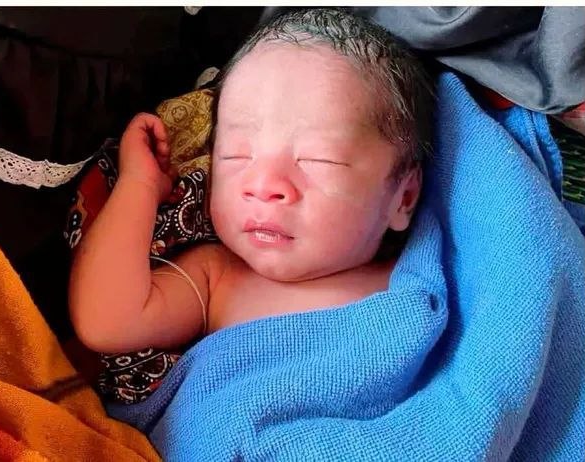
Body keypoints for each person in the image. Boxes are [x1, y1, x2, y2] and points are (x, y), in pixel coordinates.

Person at [69, 8, 433, 355]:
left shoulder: (419, 276)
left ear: (404, 197)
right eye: (236, 156)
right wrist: (139, 185)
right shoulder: (216, 279)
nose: (263, 185)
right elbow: (107, 324)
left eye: (318, 159)